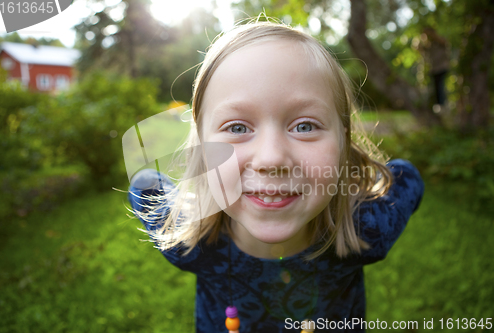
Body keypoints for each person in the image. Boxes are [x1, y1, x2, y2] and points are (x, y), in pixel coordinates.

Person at [128, 21, 424, 333]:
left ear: (342, 145)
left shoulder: (368, 231)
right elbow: (144, 186)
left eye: (305, 126)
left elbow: (407, 177)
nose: (271, 158)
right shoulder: (188, 243)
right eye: (238, 128)